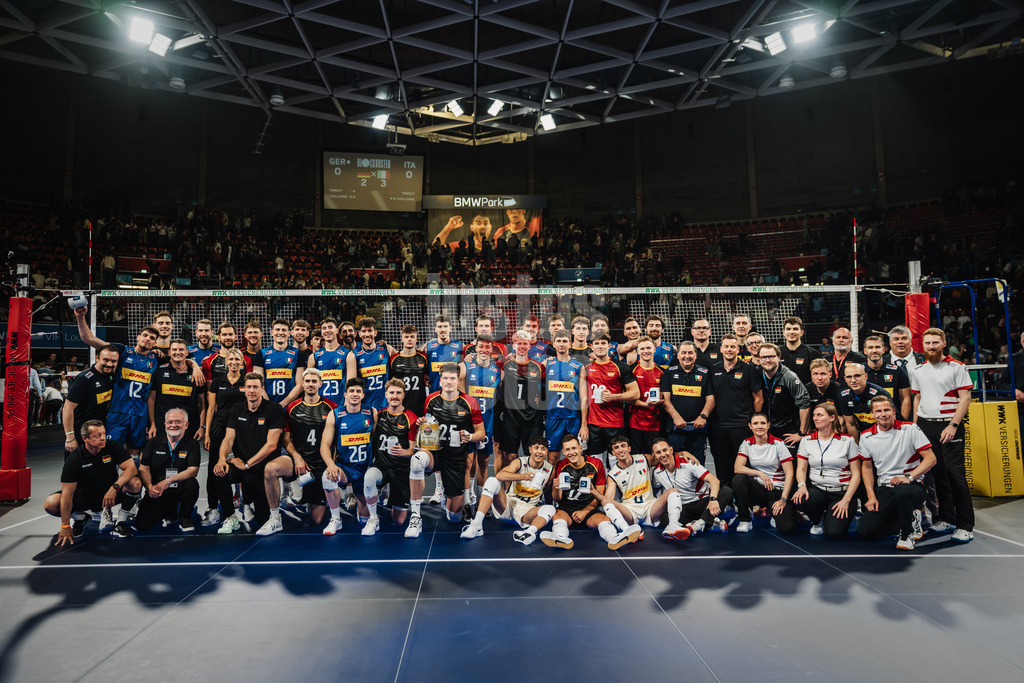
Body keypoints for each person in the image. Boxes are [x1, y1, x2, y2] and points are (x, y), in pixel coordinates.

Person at [73, 304, 202, 459]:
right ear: (138, 337)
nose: (148, 339)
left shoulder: (156, 358)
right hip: (118, 413)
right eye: (145, 336)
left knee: (135, 455)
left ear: (155, 343)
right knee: (109, 453)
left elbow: (180, 359)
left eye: (152, 338)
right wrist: (80, 317)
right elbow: (89, 339)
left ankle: (132, 483)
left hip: (140, 415)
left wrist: (194, 365)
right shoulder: (122, 351)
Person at [405, 364, 485, 538]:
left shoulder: (470, 402)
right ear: (440, 380)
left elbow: (481, 433)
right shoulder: (431, 399)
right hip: (435, 452)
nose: (449, 382)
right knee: (417, 460)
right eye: (445, 378)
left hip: (455, 457)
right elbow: (427, 423)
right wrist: (421, 424)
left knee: (454, 518)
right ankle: (415, 516)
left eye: (452, 378)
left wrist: (470, 437)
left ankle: (450, 499)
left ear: (458, 380)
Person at [911, 327, 974, 542]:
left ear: (943, 343)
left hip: (949, 425)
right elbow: (917, 399)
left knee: (955, 475)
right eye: (927, 343)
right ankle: (947, 518)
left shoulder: (956, 367)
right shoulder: (918, 370)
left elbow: (965, 397)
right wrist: (915, 425)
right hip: (926, 425)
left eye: (935, 342)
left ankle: (965, 525)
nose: (931, 346)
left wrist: (954, 425)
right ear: (923, 345)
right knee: (938, 475)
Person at [856, 394, 937, 550]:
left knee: (901, 491)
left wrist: (908, 477)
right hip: (886, 488)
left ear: (893, 411)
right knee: (865, 531)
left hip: (914, 486)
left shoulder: (910, 429)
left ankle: (907, 534)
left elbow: (931, 459)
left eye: (887, 410)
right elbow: (866, 468)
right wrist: (871, 496)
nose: (883, 414)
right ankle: (911, 517)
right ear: (872, 414)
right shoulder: (866, 436)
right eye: (878, 411)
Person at [45, 420, 142, 544]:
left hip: (110, 494)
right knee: (51, 504)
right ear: (85, 438)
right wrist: (65, 525)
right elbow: (67, 495)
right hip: (85, 496)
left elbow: (132, 469)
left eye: (103, 434)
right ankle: (81, 518)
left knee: (135, 483)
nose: (103, 438)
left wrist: (114, 488)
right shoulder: (75, 459)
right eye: (97, 436)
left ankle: (120, 522)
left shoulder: (112, 446)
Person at [213, 372, 286, 534]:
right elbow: (228, 438)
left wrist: (247, 464)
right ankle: (231, 517)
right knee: (219, 473)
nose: (252, 390)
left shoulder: (273, 409)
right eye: (248, 387)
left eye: (255, 387)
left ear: (262, 389)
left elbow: (272, 445)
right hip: (242, 466)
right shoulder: (236, 409)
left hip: (263, 470)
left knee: (262, 518)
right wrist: (222, 459)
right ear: (244, 389)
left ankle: (268, 513)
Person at [543, 435, 642, 550]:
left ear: (580, 448)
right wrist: (556, 488)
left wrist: (584, 511)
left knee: (604, 520)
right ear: (563, 451)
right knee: (558, 517)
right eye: (567, 450)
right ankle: (561, 538)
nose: (571, 452)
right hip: (567, 508)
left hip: (589, 508)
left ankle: (614, 539)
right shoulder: (561, 465)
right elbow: (557, 499)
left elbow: (600, 496)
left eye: (574, 448)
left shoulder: (595, 463)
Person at [460, 436, 555, 543]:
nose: (539, 452)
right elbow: (500, 475)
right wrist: (523, 476)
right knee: (492, 480)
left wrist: (547, 512)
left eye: (543, 449)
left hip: (527, 512)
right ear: (530, 449)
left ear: (547, 452)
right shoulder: (520, 462)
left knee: (550, 509)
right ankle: (476, 525)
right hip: (507, 505)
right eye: (536, 448)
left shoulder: (550, 469)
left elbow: (547, 492)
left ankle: (529, 533)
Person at [791, 403, 861, 539]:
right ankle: (818, 521)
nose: (815, 418)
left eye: (820, 415)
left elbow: (857, 474)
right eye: (814, 415)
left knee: (834, 534)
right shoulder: (806, 440)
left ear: (832, 418)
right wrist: (802, 486)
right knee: (800, 500)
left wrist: (846, 500)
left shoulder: (847, 441)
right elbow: (801, 468)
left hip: (842, 493)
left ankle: (846, 516)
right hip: (818, 490)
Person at [319, 378, 377, 535]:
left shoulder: (371, 412)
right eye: (351, 391)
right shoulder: (335, 414)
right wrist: (331, 464)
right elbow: (324, 445)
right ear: (345, 394)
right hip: (345, 467)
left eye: (358, 391)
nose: (355, 394)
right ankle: (336, 519)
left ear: (363, 395)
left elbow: (375, 440)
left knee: (364, 520)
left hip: (365, 468)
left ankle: (369, 516)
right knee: (327, 477)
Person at [362, 379, 418, 535]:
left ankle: (388, 496)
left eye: (398, 393)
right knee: (369, 478)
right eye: (392, 393)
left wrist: (404, 452)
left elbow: (413, 450)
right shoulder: (378, 415)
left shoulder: (411, 418)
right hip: (382, 465)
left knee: (398, 521)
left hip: (401, 469)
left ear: (403, 395)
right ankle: (373, 519)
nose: (395, 396)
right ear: (386, 394)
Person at [283, 368, 337, 527]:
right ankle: (275, 513)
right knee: (271, 469)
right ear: (302, 384)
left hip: (321, 464)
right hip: (299, 462)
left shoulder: (331, 406)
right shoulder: (292, 407)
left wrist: (331, 464)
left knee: (317, 520)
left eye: (314, 381)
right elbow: (285, 440)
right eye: (307, 381)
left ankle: (325, 496)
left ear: (320, 384)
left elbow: (335, 441)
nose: (311, 384)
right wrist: (297, 457)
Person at [709, 333, 763, 486]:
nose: (729, 349)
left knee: (743, 468)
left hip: (741, 427)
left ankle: (746, 503)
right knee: (721, 466)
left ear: (738, 349)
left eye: (733, 346)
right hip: (718, 428)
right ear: (721, 349)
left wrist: (753, 421)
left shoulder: (748, 370)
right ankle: (726, 501)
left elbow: (758, 398)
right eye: (726, 346)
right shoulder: (713, 370)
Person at [135, 409, 201, 533]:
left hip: (180, 488)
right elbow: (144, 468)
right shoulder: (153, 442)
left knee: (192, 484)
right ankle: (171, 512)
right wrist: (149, 487)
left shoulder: (192, 444)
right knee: (142, 525)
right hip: (158, 490)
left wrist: (168, 481)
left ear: (186, 425)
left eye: (178, 422)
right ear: (165, 424)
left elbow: (193, 470)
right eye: (170, 422)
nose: (173, 425)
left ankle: (184, 516)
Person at [201, 348, 247, 527]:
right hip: (219, 426)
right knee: (214, 467)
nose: (234, 362)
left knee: (245, 464)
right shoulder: (218, 381)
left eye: (237, 359)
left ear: (242, 363)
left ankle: (247, 503)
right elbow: (211, 408)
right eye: (231, 359)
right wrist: (207, 432)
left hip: (241, 426)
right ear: (226, 362)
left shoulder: (247, 380)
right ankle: (213, 508)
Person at [651, 438, 732, 538]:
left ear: (671, 450)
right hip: (683, 507)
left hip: (703, 503)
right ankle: (710, 523)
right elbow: (655, 490)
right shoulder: (657, 472)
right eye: (658, 452)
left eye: (665, 450)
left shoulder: (689, 463)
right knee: (664, 518)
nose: (663, 455)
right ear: (654, 455)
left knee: (726, 491)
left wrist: (713, 500)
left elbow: (714, 480)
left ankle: (700, 523)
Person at [731, 413, 797, 534]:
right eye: (755, 423)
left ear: (768, 426)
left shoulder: (778, 444)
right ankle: (745, 519)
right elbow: (738, 468)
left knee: (787, 528)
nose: (759, 426)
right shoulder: (747, 443)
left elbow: (790, 474)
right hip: (759, 489)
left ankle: (774, 512)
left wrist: (783, 499)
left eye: (762, 423)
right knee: (738, 479)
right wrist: (759, 473)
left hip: (777, 491)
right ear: (750, 426)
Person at [584, 331, 639, 469]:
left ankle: (617, 489)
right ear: (591, 346)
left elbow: (635, 393)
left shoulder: (621, 367)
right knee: (594, 462)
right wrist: (583, 424)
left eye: (603, 343)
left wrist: (614, 396)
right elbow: (584, 398)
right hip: (593, 424)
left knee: (617, 462)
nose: (600, 346)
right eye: (597, 343)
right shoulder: (586, 368)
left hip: (615, 423)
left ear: (609, 346)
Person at [459, 333, 502, 509]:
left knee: (484, 462)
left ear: (491, 349)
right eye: (481, 346)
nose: (484, 350)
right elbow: (457, 388)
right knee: (469, 462)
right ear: (475, 347)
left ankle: (480, 496)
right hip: (470, 423)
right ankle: (468, 499)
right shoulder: (465, 366)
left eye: (487, 347)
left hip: (488, 422)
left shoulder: (498, 370)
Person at [661, 341, 715, 464]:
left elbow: (711, 399)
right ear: (678, 355)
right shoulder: (669, 373)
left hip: (698, 431)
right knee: (676, 465)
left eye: (690, 353)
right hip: (675, 430)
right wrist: (676, 417)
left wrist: (702, 417)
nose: (687, 356)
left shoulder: (705, 373)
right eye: (683, 353)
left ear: (695, 355)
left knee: (698, 466)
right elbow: (665, 400)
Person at [496, 331, 546, 459]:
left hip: (531, 418)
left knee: (532, 455)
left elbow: (546, 389)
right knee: (510, 456)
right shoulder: (503, 364)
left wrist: (540, 399)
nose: (522, 346)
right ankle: (510, 480)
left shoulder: (539, 366)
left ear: (530, 346)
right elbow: (486, 366)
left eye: (525, 343)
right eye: (519, 343)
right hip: (511, 417)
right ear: (513, 346)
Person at [148, 338, 206, 445]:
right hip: (162, 427)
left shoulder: (196, 375)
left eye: (181, 350)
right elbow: (151, 400)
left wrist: (202, 427)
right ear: (169, 352)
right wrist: (152, 425)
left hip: (188, 428)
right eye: (174, 350)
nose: (178, 352)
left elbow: (201, 404)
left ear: (187, 352)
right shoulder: (159, 371)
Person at [544, 330, 589, 468]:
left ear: (570, 343)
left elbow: (584, 397)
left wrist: (584, 424)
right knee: (552, 459)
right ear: (553, 344)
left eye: (564, 341)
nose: (562, 344)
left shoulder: (578, 366)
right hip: (553, 418)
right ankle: (552, 489)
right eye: (559, 341)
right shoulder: (547, 364)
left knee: (576, 458)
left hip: (573, 418)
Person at [62, 345, 118, 454]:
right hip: (81, 436)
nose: (109, 364)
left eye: (114, 361)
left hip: (98, 435)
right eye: (105, 360)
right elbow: (67, 409)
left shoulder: (110, 376)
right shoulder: (84, 379)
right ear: (97, 358)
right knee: (76, 470)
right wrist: (70, 437)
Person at [596, 436, 661, 530]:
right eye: (616, 447)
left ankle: (673, 525)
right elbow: (608, 499)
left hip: (650, 507)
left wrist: (682, 453)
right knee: (606, 502)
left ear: (629, 448)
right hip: (630, 511)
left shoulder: (644, 458)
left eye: (623, 446)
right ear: (613, 453)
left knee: (672, 491)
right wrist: (594, 492)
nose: (620, 450)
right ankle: (627, 530)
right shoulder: (612, 474)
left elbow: (663, 458)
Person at [757, 343, 811, 450]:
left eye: (771, 357)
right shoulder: (756, 374)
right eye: (764, 357)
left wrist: (801, 433)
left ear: (778, 357)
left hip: (787, 432)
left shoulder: (789, 377)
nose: (767, 360)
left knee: (789, 465)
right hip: (765, 431)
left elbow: (804, 403)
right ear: (759, 359)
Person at [628, 336, 665, 459]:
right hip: (635, 424)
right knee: (637, 460)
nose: (646, 351)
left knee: (656, 460)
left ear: (654, 349)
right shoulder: (632, 370)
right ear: (638, 351)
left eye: (648, 347)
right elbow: (627, 397)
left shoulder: (662, 372)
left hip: (656, 425)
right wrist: (644, 404)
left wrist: (662, 396)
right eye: (642, 348)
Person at [350, 317, 396, 411]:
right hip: (365, 405)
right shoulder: (354, 354)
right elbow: (352, 384)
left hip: (386, 405)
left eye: (370, 331)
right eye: (364, 331)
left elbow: (403, 356)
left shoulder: (385, 348)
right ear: (359, 334)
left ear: (375, 333)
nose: (367, 334)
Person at [863, 334, 912, 419]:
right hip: (867, 421)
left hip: (892, 421)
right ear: (865, 351)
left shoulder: (897, 371)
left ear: (883, 350)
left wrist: (902, 422)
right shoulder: (858, 372)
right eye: (870, 347)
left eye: (877, 347)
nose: (874, 350)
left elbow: (905, 399)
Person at [838, 362, 888, 441]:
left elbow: (888, 422)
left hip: (884, 434)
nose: (853, 380)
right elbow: (851, 425)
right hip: (863, 435)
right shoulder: (844, 396)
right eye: (849, 377)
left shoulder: (880, 394)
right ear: (845, 379)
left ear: (866, 376)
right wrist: (856, 448)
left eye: (857, 376)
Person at [388, 324, 429, 414]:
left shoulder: (423, 357)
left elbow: (430, 376)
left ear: (416, 339)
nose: (409, 339)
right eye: (406, 337)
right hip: (400, 406)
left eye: (412, 336)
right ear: (402, 339)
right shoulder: (393, 359)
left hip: (420, 406)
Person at [308, 318, 350, 403]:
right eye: (324, 328)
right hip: (320, 406)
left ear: (337, 330)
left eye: (330, 327)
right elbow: (310, 386)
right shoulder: (313, 357)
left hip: (341, 405)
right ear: (322, 332)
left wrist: (346, 405)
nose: (327, 330)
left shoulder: (348, 354)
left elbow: (351, 385)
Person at [262, 318, 302, 406]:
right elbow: (258, 383)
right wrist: (269, 405)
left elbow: (300, 384)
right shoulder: (262, 354)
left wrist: (283, 404)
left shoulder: (297, 354)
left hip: (290, 406)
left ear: (289, 333)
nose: (280, 333)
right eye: (277, 329)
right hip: (267, 406)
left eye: (284, 330)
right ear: (272, 332)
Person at [424, 313, 463, 393]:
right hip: (434, 393)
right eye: (439, 326)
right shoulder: (428, 346)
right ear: (435, 329)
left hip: (454, 394)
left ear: (450, 328)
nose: (442, 330)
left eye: (445, 326)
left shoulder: (460, 346)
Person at [779, 316, 820, 385]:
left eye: (795, 329)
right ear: (783, 332)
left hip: (805, 394)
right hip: (782, 394)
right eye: (788, 329)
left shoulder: (812, 353)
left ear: (802, 332)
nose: (791, 332)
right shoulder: (776, 353)